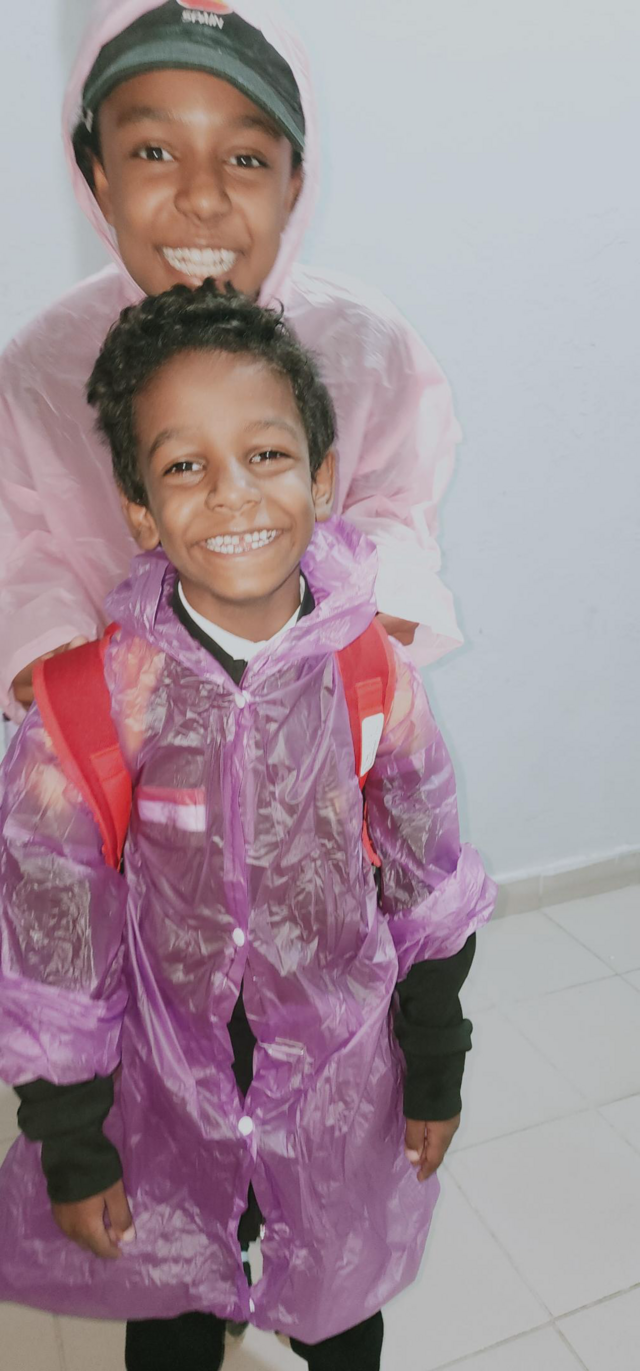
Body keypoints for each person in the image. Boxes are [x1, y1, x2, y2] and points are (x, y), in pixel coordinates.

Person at [0, 284, 495, 1370]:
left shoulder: (371, 676)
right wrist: (74, 1143)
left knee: (340, 1315)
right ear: (140, 510)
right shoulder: (93, 705)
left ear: (320, 478)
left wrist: (434, 1061)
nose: (232, 493)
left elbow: (428, 886)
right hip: (164, 1095)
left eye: (266, 453)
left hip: (337, 1084)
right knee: (173, 1325)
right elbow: (51, 945)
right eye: (185, 465)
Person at [1, 0, 462, 725]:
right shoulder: (36, 375)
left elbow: (393, 512)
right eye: (155, 152)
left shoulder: (367, 348)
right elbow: (24, 552)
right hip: (123, 751)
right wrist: (56, 656)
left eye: (245, 159)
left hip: (316, 734)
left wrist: (363, 617)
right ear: (99, 175)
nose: (202, 197)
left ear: (294, 185)